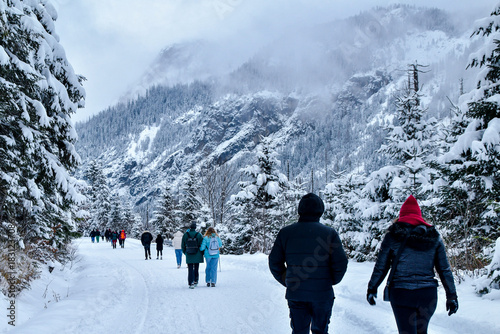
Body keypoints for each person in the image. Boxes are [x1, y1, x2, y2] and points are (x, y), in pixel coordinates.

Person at [367, 195, 458, 334]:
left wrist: (372, 288)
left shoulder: (393, 235)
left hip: (401, 293)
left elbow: (381, 266)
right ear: (419, 216)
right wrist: (452, 296)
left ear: (401, 215)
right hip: (427, 295)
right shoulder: (434, 236)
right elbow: (444, 269)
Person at [269, 193, 348, 334]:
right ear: (320, 210)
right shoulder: (330, 234)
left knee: (299, 331)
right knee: (321, 331)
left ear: (300, 210)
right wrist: (330, 280)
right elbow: (340, 263)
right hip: (322, 294)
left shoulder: (286, 233)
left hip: (296, 293)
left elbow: (274, 262)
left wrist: (287, 279)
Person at [181, 222, 204, 289]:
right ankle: (195, 280)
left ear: (190, 227)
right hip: (197, 254)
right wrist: (201, 253)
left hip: (189, 253)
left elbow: (183, 245)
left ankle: (190, 282)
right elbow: (201, 244)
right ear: (195, 227)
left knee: (190, 268)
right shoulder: (199, 235)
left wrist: (185, 252)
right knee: (196, 268)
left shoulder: (185, 235)